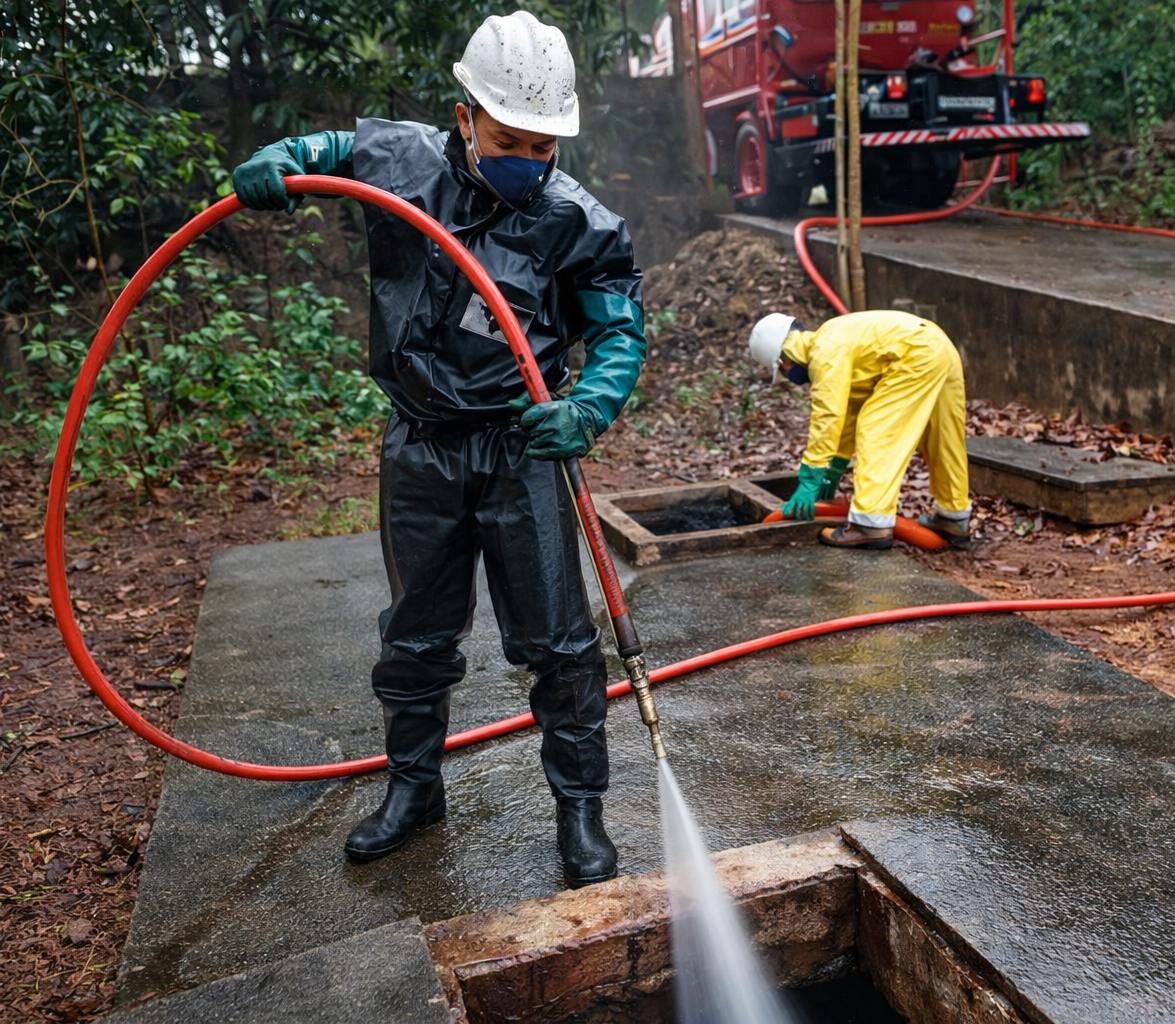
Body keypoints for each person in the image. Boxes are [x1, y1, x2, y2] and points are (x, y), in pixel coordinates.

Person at [231, 12, 646, 887]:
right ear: (465, 119)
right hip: (421, 443)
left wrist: (589, 407)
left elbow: (618, 331)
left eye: (542, 145)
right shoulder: (404, 160)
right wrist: (282, 158)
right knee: (415, 634)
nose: (525, 159)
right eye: (507, 139)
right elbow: (332, 145)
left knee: (561, 644)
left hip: (520, 448)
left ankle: (580, 811)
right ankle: (414, 791)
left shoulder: (579, 222)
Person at [748, 310, 971, 550]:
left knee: (877, 431)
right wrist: (834, 467)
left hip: (914, 355)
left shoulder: (823, 352)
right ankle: (953, 517)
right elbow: (850, 411)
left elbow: (828, 415)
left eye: (784, 371)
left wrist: (810, 477)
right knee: (942, 437)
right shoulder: (835, 339)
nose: (788, 375)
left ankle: (870, 523)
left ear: (783, 361)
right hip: (939, 347)